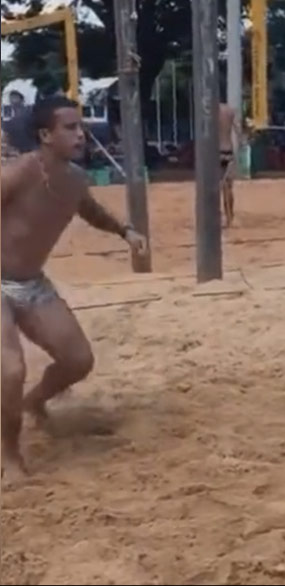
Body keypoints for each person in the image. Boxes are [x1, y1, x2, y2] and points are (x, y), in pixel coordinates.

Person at [1, 96, 148, 480]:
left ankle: (34, 402)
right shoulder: (19, 172)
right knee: (10, 369)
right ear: (45, 135)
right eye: (70, 128)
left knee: (78, 360)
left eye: (80, 127)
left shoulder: (74, 179)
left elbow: (90, 210)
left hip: (31, 282)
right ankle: (9, 457)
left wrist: (125, 231)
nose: (81, 134)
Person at [218, 100, 242, 228]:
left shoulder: (210, 112)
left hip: (215, 152)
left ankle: (216, 217)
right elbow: (238, 131)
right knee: (228, 187)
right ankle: (229, 217)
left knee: (214, 187)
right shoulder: (230, 111)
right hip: (228, 150)